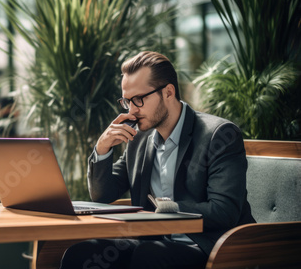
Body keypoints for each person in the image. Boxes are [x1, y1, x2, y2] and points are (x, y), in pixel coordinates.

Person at [60, 51, 255, 269]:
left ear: (168, 92)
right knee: (81, 254)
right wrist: (102, 148)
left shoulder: (218, 135)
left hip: (211, 248)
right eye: (126, 101)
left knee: (149, 255)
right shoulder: (139, 138)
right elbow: (102, 194)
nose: (132, 110)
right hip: (152, 243)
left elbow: (224, 212)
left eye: (139, 100)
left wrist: (164, 210)